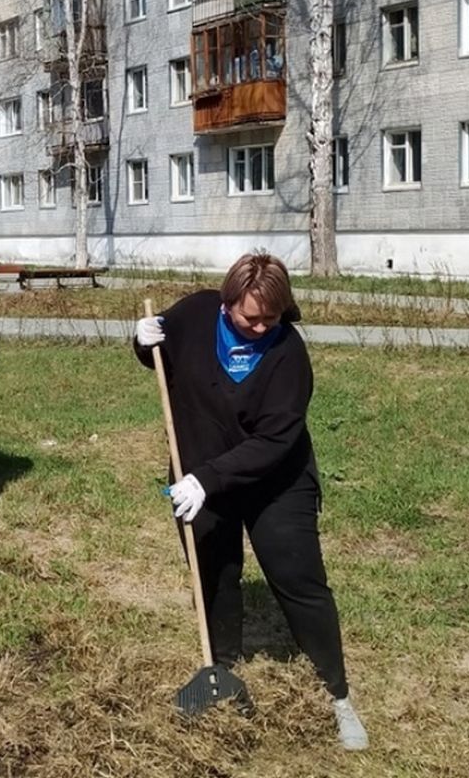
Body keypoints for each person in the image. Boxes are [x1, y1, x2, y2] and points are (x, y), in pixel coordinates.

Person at [133, 252, 368, 751]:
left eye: (273, 317)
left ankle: (338, 695)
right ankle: (224, 675)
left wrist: (209, 478)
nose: (262, 326)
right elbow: (159, 352)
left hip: (275, 482)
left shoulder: (288, 355)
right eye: (250, 317)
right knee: (214, 570)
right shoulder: (194, 314)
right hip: (198, 473)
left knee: (299, 581)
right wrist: (140, 340)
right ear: (226, 304)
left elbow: (274, 442)